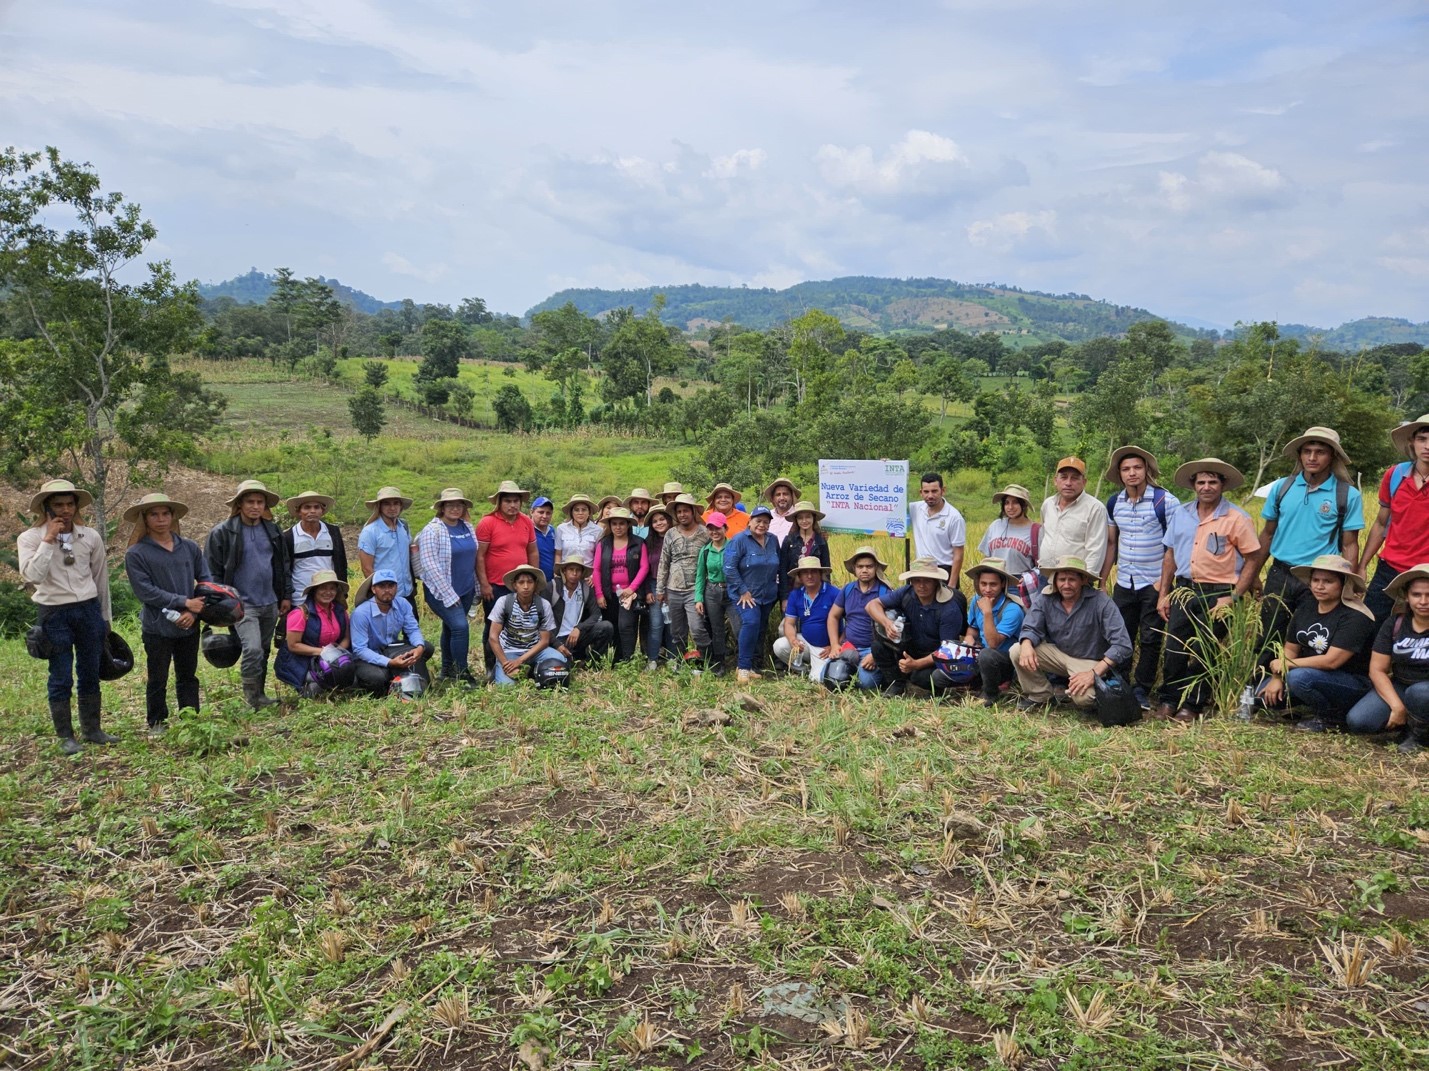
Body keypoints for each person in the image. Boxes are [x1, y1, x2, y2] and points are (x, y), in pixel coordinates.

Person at [1154, 459, 1261, 722]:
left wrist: (1234, 596)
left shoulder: (1236, 518)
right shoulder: (1181, 513)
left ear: (1222, 485)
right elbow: (1170, 554)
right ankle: (1170, 699)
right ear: (1193, 485)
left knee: (1207, 650)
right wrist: (1164, 594)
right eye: (1201, 482)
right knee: (1175, 648)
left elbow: (1253, 559)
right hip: (1184, 590)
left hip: (1219, 593)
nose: (1206, 487)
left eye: (1213, 481)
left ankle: (1193, 705)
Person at [19, 479, 116, 753]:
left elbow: (101, 579)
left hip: (87, 609)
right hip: (54, 612)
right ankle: (65, 736)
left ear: (76, 506)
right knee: (60, 674)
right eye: (58, 505)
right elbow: (32, 575)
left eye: (69, 504)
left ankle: (92, 729)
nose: (65, 510)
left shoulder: (89, 536)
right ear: (46, 508)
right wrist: (48, 540)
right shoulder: (30, 538)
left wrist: (105, 618)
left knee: (89, 671)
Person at [1250, 426, 1365, 651]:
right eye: (1307, 451)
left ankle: (1298, 683)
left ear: (1332, 456)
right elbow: (1267, 534)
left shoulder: (1346, 495)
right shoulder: (1283, 488)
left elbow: (1349, 543)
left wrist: (1349, 583)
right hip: (1280, 574)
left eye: (1320, 451)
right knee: (1269, 635)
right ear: (1300, 454)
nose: (1312, 457)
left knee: (1311, 638)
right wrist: (1253, 573)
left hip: (1319, 578)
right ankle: (1260, 683)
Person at [124, 492, 211, 735]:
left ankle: (191, 716)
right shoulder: (136, 553)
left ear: (173, 517)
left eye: (165, 513)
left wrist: (194, 612)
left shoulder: (189, 547)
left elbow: (205, 581)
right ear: (145, 518)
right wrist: (184, 602)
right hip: (157, 626)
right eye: (154, 514)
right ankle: (157, 721)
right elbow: (146, 592)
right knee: (157, 676)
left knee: (187, 674)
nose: (160, 519)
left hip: (189, 623)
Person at [1257, 555, 1375, 733]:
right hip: (1308, 673)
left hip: (1350, 681)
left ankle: (1332, 718)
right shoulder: (1307, 607)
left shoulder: (1355, 616)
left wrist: (1286, 665)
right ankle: (1305, 705)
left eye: (1328, 581)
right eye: (1315, 580)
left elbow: (1332, 661)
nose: (1319, 586)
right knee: (1262, 694)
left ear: (1343, 584)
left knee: (1298, 678)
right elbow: (1290, 647)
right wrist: (1276, 677)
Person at [1099, 446, 1178, 709]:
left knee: (1150, 638)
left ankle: (1142, 689)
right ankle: (1119, 683)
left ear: (1146, 470)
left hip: (1154, 582)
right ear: (1120, 475)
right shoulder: (1114, 503)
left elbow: (1174, 547)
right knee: (1121, 634)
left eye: (1137, 468)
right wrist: (1103, 580)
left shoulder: (1165, 501)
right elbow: (1112, 544)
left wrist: (1164, 589)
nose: (1132, 473)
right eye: (1126, 469)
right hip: (1125, 581)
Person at [205, 479, 291, 710]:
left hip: (269, 601)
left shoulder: (272, 530)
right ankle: (250, 699)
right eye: (250, 501)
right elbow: (212, 571)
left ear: (265, 506)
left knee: (262, 650)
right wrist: (220, 601)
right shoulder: (223, 532)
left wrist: (285, 595)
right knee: (251, 648)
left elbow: (282, 565)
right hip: (241, 604)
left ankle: (261, 694)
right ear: (240, 504)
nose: (255, 506)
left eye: (259, 502)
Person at [1015, 556, 1131, 711]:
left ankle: (1096, 694)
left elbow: (1122, 644)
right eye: (1062, 579)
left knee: (1085, 698)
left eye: (1072, 580)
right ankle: (1040, 695)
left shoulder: (1101, 602)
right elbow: (1031, 627)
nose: (1066, 585)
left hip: (1089, 661)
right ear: (1055, 580)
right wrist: (1027, 643)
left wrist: (1093, 674)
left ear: (1083, 580)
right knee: (1017, 650)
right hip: (1058, 655)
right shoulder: (1045, 598)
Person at [1344, 564, 1429, 754]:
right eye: (1416, 595)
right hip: (1401, 684)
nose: (1423, 601)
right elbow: (1377, 669)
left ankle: (1418, 736)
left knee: (1420, 693)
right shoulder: (1395, 623)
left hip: (1425, 690)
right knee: (1360, 720)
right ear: (1406, 596)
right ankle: (1407, 720)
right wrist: (1396, 705)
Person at [1359, 415, 1429, 624]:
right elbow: (1381, 524)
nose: (1428, 446)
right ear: (1412, 442)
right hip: (1389, 567)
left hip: (1426, 571)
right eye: (1422, 439)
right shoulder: (1395, 475)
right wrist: (1362, 565)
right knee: (1370, 625)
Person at [864, 558, 967, 697]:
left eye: (927, 581)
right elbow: (871, 605)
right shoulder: (906, 592)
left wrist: (917, 664)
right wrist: (887, 623)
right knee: (878, 646)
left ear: (936, 582)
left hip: (936, 655)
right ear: (911, 581)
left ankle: (932, 685)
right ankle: (896, 684)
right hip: (910, 646)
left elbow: (947, 651)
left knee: (921, 677)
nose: (921, 586)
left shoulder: (949, 609)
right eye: (917, 580)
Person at [415, 488, 479, 685]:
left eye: (459, 505)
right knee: (460, 627)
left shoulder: (467, 527)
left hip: (466, 588)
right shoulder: (432, 530)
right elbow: (430, 565)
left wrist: (475, 588)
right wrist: (449, 594)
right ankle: (462, 673)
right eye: (450, 505)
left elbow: (473, 559)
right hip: (441, 592)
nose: (455, 508)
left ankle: (446, 669)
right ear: (442, 507)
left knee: (450, 628)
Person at [476, 480, 539, 663]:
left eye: (516, 501)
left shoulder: (526, 521)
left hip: (521, 585)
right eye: (508, 501)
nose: (512, 505)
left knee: (520, 625)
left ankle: (517, 661)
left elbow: (532, 551)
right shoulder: (487, 522)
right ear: (499, 502)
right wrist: (484, 584)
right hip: (496, 585)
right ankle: (491, 665)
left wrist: (534, 579)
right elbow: (480, 556)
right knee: (493, 626)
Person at [349, 569, 433, 697]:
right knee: (378, 678)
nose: (387, 590)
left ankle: (406, 677)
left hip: (391, 649)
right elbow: (360, 649)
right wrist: (389, 662)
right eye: (382, 586)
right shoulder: (361, 613)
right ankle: (383, 677)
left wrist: (419, 647)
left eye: (391, 586)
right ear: (373, 589)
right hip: (368, 655)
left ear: (396, 587)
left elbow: (412, 629)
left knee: (426, 647)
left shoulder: (402, 604)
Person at [725, 505, 782, 684]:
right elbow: (729, 568)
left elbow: (777, 564)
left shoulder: (773, 540)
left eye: (766, 522)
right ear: (749, 522)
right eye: (758, 521)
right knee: (751, 623)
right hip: (746, 595)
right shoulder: (739, 540)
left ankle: (753, 666)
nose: (762, 525)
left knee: (760, 628)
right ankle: (742, 667)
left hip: (767, 594)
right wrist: (743, 590)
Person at [274, 570, 352, 697]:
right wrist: (324, 653)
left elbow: (346, 637)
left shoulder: (340, 611)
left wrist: (338, 655)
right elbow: (293, 645)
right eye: (323, 588)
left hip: (330, 658)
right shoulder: (301, 613)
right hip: (303, 661)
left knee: (351, 682)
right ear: (314, 590)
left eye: (332, 588)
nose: (328, 592)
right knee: (316, 691)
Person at [827, 546, 893, 691]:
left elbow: (892, 628)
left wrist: (876, 654)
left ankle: (880, 670)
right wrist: (834, 645)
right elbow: (833, 616)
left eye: (869, 566)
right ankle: (851, 668)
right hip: (849, 645)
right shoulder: (848, 589)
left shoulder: (885, 592)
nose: (864, 570)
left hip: (872, 649)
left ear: (876, 568)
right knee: (827, 678)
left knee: (865, 684)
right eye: (860, 566)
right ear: (854, 569)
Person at [487, 564, 566, 685]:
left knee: (560, 660)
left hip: (535, 650)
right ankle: (500, 670)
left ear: (535, 585)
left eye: (529, 582)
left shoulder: (543, 605)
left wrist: (520, 661)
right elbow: (493, 637)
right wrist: (505, 664)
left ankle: (530, 670)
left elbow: (544, 641)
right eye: (521, 582)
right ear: (515, 585)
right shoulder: (504, 602)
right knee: (506, 687)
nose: (525, 586)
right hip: (509, 651)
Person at [961, 559, 1026, 706]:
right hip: (983, 655)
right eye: (983, 584)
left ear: (1003, 584)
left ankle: (990, 694)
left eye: (993, 584)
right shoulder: (976, 601)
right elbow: (973, 629)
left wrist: (988, 613)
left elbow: (993, 643)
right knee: (940, 677)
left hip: (1005, 660)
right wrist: (969, 638)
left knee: (987, 655)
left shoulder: (1012, 609)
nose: (987, 589)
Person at [658, 493, 712, 669]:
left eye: (686, 511)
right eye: (679, 511)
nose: (682, 514)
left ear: (693, 512)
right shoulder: (671, 534)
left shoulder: (705, 532)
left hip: (695, 590)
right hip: (673, 588)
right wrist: (660, 589)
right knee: (677, 631)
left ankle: (705, 660)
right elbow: (664, 562)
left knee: (697, 628)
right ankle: (683, 660)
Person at [592, 507, 650, 663]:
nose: (618, 527)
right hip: (609, 593)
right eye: (614, 524)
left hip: (629, 594)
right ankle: (615, 660)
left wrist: (632, 588)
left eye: (622, 524)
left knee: (626, 626)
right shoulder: (603, 544)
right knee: (613, 626)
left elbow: (644, 567)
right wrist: (599, 594)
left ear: (628, 525)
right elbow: (596, 569)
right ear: (610, 526)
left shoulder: (638, 543)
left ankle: (628, 658)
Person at [772, 556, 840, 682]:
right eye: (805, 572)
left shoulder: (834, 593)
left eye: (813, 571)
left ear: (820, 574)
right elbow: (789, 624)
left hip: (826, 648)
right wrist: (793, 640)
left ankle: (816, 670)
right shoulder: (796, 595)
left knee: (818, 680)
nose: (809, 576)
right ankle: (803, 669)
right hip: (806, 643)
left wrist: (835, 645)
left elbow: (849, 623)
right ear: (799, 576)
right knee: (779, 646)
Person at [1038, 458, 1108, 578]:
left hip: (1074, 579)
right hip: (1046, 574)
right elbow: (1043, 536)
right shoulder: (1048, 504)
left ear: (1084, 482)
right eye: (1064, 477)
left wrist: (1086, 578)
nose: (1068, 483)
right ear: (1056, 480)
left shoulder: (1095, 508)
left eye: (1075, 478)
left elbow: (1095, 549)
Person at [694, 511, 740, 675]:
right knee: (717, 629)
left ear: (725, 528)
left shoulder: (734, 547)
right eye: (710, 529)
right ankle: (719, 663)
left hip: (732, 590)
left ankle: (742, 662)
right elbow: (700, 576)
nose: (714, 532)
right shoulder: (705, 551)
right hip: (712, 591)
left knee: (738, 627)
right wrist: (698, 598)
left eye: (718, 528)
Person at [282, 490, 348, 603]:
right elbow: (285, 570)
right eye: (307, 507)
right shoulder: (289, 536)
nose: (312, 511)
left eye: (316, 507)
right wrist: (286, 597)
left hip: (329, 596)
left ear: (322, 511)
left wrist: (342, 594)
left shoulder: (333, 532)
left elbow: (341, 564)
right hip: (300, 598)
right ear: (299, 511)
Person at [550, 553, 615, 665]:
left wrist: (579, 628)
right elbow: (541, 621)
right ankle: (571, 659)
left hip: (576, 636)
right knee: (560, 666)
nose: (574, 573)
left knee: (606, 627)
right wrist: (556, 644)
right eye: (571, 569)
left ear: (582, 573)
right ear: (564, 571)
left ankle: (590, 663)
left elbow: (596, 614)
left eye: (578, 570)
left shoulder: (585, 588)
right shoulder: (553, 587)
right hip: (556, 638)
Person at [909, 472, 966, 587]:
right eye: (926, 492)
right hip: (921, 569)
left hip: (944, 571)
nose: (930, 495)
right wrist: (885, 466)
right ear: (921, 492)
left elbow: (958, 554)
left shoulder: (954, 517)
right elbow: (892, 503)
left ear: (943, 490)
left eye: (934, 491)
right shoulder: (915, 508)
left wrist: (952, 585)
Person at [357, 486, 415, 599]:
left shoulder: (404, 527)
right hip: (385, 596)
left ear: (401, 506)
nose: (392, 508)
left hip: (407, 592)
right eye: (387, 504)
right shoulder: (370, 531)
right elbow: (367, 568)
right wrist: (381, 593)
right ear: (379, 507)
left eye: (396, 503)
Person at [979, 484, 1039, 578]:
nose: (1010, 507)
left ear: (1024, 505)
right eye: (1006, 503)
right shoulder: (996, 525)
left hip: (1020, 582)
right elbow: (987, 558)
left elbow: (1042, 564)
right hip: (994, 579)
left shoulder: (1036, 531)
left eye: (1015, 502)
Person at [777, 501, 831, 602]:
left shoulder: (821, 541)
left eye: (808, 517)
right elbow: (783, 570)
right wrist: (784, 597)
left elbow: (826, 569)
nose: (804, 521)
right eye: (800, 518)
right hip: (792, 590)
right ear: (796, 520)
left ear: (813, 518)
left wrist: (826, 595)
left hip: (815, 589)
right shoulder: (789, 540)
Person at [642, 504, 675, 665]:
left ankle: (672, 658)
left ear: (669, 520)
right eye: (655, 521)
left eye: (662, 519)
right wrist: (647, 590)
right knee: (656, 624)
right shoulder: (648, 543)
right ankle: (652, 659)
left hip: (674, 586)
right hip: (655, 585)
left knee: (672, 624)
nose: (659, 523)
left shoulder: (676, 537)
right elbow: (645, 569)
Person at [555, 493, 601, 568]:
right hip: (566, 573)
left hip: (588, 575)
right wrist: (557, 572)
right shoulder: (561, 529)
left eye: (584, 510)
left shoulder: (598, 530)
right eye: (576, 510)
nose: (580, 513)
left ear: (589, 512)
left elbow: (598, 556)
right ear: (571, 512)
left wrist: (593, 575)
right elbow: (558, 554)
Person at [763, 477, 801, 543]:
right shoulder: (766, 516)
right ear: (773, 498)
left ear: (792, 496)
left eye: (785, 494)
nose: (782, 498)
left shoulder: (799, 516)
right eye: (778, 495)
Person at [530, 496, 557, 583]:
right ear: (532, 512)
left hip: (551, 581)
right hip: (532, 580)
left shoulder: (552, 530)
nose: (545, 516)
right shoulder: (526, 530)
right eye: (541, 512)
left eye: (548, 513)